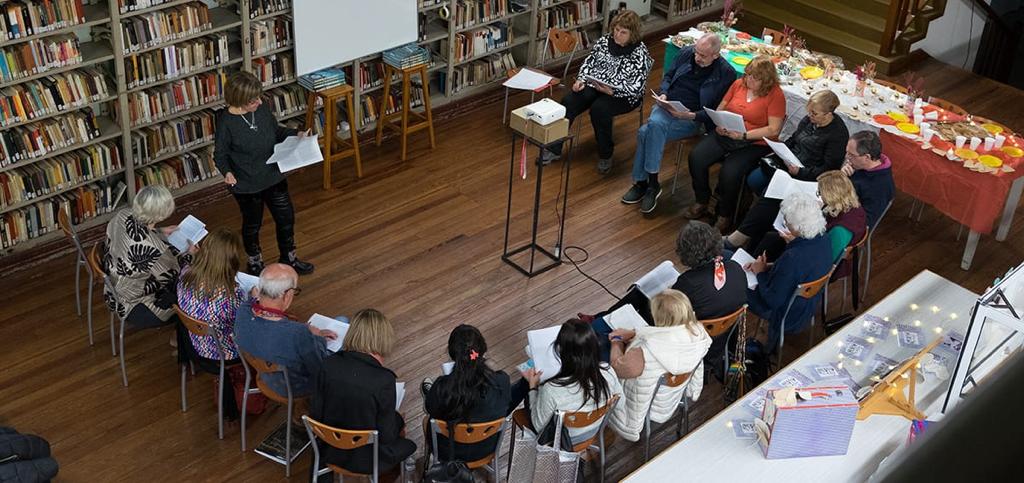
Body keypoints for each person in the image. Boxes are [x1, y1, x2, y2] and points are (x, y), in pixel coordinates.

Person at [622, 33, 735, 214]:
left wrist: (690, 116)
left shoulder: (725, 73)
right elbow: (668, 76)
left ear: (716, 55)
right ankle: (650, 184)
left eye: (702, 55)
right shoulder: (686, 53)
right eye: (696, 52)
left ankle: (644, 182)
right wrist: (664, 93)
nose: (697, 57)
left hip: (690, 118)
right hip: (667, 106)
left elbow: (715, 111)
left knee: (647, 131)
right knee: (656, 124)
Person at [215, 71, 314, 276]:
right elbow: (220, 154)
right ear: (240, 100)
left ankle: (289, 258)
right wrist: (227, 172)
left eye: (259, 97)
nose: (259, 102)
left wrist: (297, 133)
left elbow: (275, 131)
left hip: (272, 174)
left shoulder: (260, 110)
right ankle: (255, 262)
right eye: (253, 100)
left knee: (286, 217)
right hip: (246, 183)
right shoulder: (226, 123)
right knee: (252, 224)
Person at [310, 309, 416, 479]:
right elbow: (387, 436)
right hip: (366, 458)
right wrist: (398, 420)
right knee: (408, 444)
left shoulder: (327, 365)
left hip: (329, 449)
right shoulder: (384, 380)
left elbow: (316, 412)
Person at [544, 9, 653, 174]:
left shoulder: (640, 53)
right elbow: (589, 63)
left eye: (623, 32)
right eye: (616, 30)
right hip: (597, 85)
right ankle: (554, 148)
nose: (617, 35)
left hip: (624, 95)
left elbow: (636, 87)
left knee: (599, 110)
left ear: (633, 34)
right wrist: (581, 80)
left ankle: (605, 154)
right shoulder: (605, 41)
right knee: (569, 101)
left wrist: (613, 92)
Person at [686, 55, 786, 232]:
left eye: (754, 78)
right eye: (747, 75)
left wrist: (744, 135)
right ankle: (702, 199)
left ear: (766, 80)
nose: (749, 80)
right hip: (727, 133)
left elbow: (773, 130)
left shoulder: (775, 95)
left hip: (754, 142)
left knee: (730, 172)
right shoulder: (738, 84)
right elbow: (721, 107)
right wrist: (719, 123)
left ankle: (725, 214)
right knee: (697, 157)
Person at [606, 290, 711, 442]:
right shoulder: (699, 334)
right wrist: (635, 333)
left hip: (645, 404)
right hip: (671, 397)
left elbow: (618, 368)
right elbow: (665, 336)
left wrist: (616, 341)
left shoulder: (645, 351)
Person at [744, 192, 833, 351]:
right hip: (806, 305)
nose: (784, 222)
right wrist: (768, 267)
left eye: (787, 221)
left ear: (798, 227)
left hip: (785, 313)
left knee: (736, 287)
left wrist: (760, 273)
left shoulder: (793, 257)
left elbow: (772, 300)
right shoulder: (824, 238)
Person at [233, 264, 336, 398]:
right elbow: (318, 368)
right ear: (287, 295)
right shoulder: (297, 333)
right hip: (294, 387)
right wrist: (318, 337)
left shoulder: (243, 311)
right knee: (342, 322)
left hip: (264, 376)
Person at [177, 228, 248, 419]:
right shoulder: (231, 294)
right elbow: (242, 326)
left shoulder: (185, 276)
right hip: (224, 353)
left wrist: (190, 254)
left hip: (193, 345)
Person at [518, 319, 626, 444]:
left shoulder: (552, 389)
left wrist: (533, 388)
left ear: (561, 352)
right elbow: (620, 403)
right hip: (592, 432)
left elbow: (538, 426)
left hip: (561, 441)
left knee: (527, 393)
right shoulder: (607, 372)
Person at [104, 185, 194, 329]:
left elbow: (135, 236)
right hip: (137, 306)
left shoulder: (122, 215)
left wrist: (159, 231)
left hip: (113, 290)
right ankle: (178, 340)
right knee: (191, 300)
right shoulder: (156, 251)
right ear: (160, 215)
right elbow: (174, 275)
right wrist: (190, 255)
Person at [422, 325, 514, 463]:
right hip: (486, 448)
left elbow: (430, 408)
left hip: (448, 452)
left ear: (452, 354)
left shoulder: (442, 387)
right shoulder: (501, 381)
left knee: (427, 420)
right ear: (483, 350)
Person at [746, 90, 848, 192]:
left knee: (768, 191)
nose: (809, 115)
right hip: (790, 161)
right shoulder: (810, 120)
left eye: (814, 113)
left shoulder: (838, 135)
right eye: (809, 111)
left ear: (828, 115)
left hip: (807, 173)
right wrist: (779, 150)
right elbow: (795, 138)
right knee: (753, 180)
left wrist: (800, 172)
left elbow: (828, 169)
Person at [842, 130, 895, 229]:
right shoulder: (858, 166)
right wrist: (842, 177)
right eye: (847, 152)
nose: (846, 157)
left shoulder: (880, 187)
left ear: (866, 157)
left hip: (849, 223)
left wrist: (842, 185)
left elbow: (866, 221)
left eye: (851, 155)